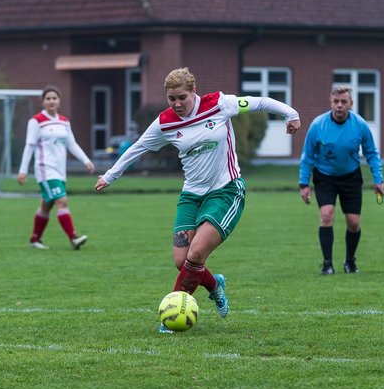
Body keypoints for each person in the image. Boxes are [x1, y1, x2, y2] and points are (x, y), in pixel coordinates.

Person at [95, 67, 300, 332]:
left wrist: (291, 114)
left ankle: (170, 318)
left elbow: (260, 102)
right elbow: (138, 147)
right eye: (172, 99)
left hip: (226, 191)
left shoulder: (219, 104)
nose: (177, 104)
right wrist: (110, 175)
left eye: (182, 97)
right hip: (191, 195)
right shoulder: (165, 122)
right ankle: (215, 286)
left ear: (194, 91)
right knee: (182, 261)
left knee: (196, 253)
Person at [298, 85, 384, 274]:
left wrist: (378, 180)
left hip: (351, 177)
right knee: (326, 215)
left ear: (351, 104)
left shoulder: (360, 125)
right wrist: (304, 184)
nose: (339, 105)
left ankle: (349, 262)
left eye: (343, 102)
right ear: (331, 103)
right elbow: (307, 156)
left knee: (353, 222)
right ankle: (327, 264)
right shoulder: (318, 125)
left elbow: (371, 153)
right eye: (336, 101)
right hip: (324, 177)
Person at [17, 86, 95, 249]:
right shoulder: (36, 121)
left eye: (54, 98)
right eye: (48, 98)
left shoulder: (64, 121)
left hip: (60, 171)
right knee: (62, 201)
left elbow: (71, 144)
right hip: (46, 170)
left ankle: (35, 239)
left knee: (47, 205)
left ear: (59, 101)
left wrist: (85, 160)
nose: (51, 101)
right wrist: (23, 170)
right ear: (43, 102)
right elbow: (29, 146)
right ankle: (74, 238)